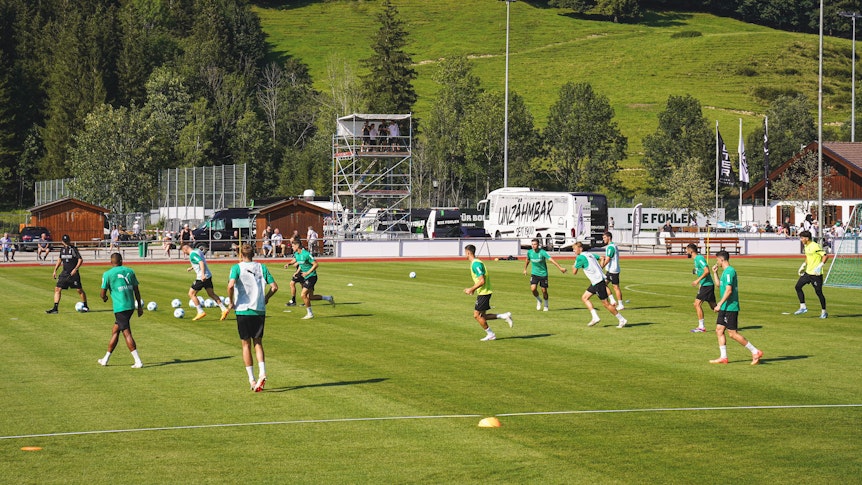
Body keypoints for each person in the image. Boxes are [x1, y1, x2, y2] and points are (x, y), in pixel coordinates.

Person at [227, 243, 278, 391]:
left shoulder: (237, 268)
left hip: (243, 310)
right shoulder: (262, 267)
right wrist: (266, 298)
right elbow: (274, 287)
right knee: (258, 343)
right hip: (259, 310)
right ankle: (262, 372)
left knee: (245, 345)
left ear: (241, 254)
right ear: (253, 253)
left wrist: (231, 302)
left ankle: (252, 380)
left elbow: (230, 286)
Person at [710, 250, 763, 365]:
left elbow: (728, 291)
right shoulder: (725, 272)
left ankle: (755, 351)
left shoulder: (729, 272)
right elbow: (719, 285)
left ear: (722, 259)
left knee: (732, 334)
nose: (717, 262)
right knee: (719, 330)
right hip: (725, 307)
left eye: (717, 260)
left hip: (730, 307)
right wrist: (715, 273)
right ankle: (723, 357)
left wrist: (719, 304)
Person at [97, 252, 144, 368]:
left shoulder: (107, 274)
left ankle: (138, 361)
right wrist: (139, 306)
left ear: (111, 262)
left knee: (126, 333)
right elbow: (136, 290)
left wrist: (105, 298)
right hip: (130, 306)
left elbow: (102, 293)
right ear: (121, 260)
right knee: (115, 331)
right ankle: (105, 359)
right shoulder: (130, 271)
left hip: (120, 308)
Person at [571, 242, 627, 328]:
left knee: (606, 304)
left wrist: (574, 265)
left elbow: (574, 272)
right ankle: (595, 317)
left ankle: (622, 319)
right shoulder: (589, 254)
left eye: (575, 249)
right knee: (584, 298)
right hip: (597, 281)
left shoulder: (580, 258)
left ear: (580, 249)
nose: (574, 250)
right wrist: (599, 269)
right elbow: (602, 258)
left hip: (597, 282)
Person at [464, 244, 513, 341]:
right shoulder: (476, 262)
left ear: (468, 252)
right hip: (484, 292)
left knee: (477, 315)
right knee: (483, 316)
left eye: (465, 252)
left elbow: (482, 281)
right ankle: (504, 316)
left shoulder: (476, 264)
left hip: (484, 293)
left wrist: (471, 289)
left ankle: (491, 334)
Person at [285, 239, 334, 319]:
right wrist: (290, 265)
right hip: (305, 276)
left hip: (312, 276)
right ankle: (328, 298)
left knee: (303, 295)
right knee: (310, 297)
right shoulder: (297, 254)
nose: (292, 247)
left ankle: (310, 314)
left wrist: (307, 272)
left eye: (293, 246)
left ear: (297, 246)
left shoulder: (306, 254)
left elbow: (316, 264)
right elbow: (298, 262)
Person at [181, 243, 230, 321]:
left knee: (191, 294)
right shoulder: (197, 250)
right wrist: (191, 267)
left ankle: (200, 311)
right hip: (208, 275)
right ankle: (224, 309)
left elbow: (201, 262)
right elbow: (200, 260)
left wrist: (203, 274)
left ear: (185, 249)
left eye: (184, 252)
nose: (185, 254)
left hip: (202, 277)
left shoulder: (192, 255)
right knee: (211, 294)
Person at [46, 234, 89, 314]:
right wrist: (55, 270)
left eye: (67, 241)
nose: (66, 243)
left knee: (79, 290)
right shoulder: (62, 250)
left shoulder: (73, 249)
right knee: (57, 289)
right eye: (65, 241)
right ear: (62, 242)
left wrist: (75, 269)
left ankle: (86, 305)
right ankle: (55, 308)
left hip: (73, 274)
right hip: (64, 273)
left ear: (69, 241)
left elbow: (80, 260)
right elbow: (60, 260)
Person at [523, 238, 566, 311]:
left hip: (543, 274)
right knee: (533, 289)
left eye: (535, 244)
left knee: (544, 291)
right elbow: (527, 260)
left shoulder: (542, 252)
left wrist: (560, 268)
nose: (533, 246)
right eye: (532, 244)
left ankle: (546, 305)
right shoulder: (529, 252)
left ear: (538, 245)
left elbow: (552, 260)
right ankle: (539, 300)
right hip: (534, 273)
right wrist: (525, 269)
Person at [793, 230, 828, 319]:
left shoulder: (815, 246)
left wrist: (820, 265)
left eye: (802, 238)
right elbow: (808, 257)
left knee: (818, 292)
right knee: (798, 287)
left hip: (816, 274)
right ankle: (803, 307)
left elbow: (825, 255)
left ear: (807, 238)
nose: (801, 240)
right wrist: (803, 265)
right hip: (808, 272)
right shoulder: (806, 246)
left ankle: (824, 311)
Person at [685, 243, 715, 333]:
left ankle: (701, 327)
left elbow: (707, 271)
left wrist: (697, 280)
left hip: (707, 285)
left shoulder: (699, 258)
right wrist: (700, 285)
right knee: (714, 307)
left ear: (691, 251)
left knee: (697, 304)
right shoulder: (695, 259)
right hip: (705, 285)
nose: (686, 252)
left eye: (686, 250)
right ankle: (728, 319)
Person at [599, 231, 624, 311]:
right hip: (610, 270)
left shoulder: (611, 247)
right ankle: (613, 300)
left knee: (615, 287)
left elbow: (608, 259)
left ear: (609, 237)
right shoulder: (610, 246)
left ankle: (620, 304)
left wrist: (601, 267)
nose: (603, 240)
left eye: (604, 238)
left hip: (613, 270)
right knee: (603, 284)